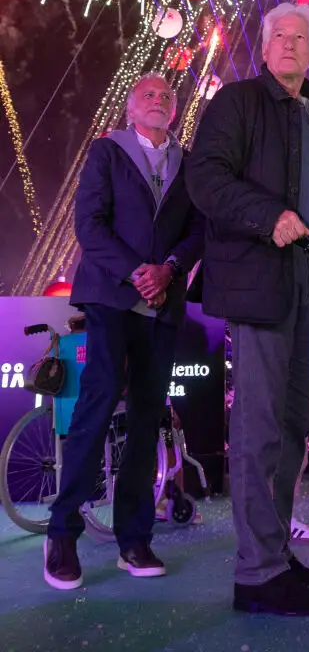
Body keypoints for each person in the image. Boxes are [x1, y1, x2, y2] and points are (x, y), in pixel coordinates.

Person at [186, 2, 309, 618]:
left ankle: (275, 552)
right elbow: (205, 178)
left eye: (300, 36)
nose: (289, 43)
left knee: (294, 423)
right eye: (278, 35)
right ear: (264, 49)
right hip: (260, 279)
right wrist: (270, 218)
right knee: (259, 426)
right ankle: (257, 574)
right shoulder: (238, 102)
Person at [45, 74, 204, 591]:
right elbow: (89, 225)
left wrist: (170, 270)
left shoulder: (189, 163)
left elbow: (198, 230)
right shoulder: (106, 152)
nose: (159, 100)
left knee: (146, 420)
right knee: (97, 406)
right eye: (148, 95)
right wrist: (138, 272)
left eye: (167, 96)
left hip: (163, 304)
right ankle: (62, 534)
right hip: (112, 297)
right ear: (131, 108)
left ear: (175, 111)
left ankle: (134, 539)